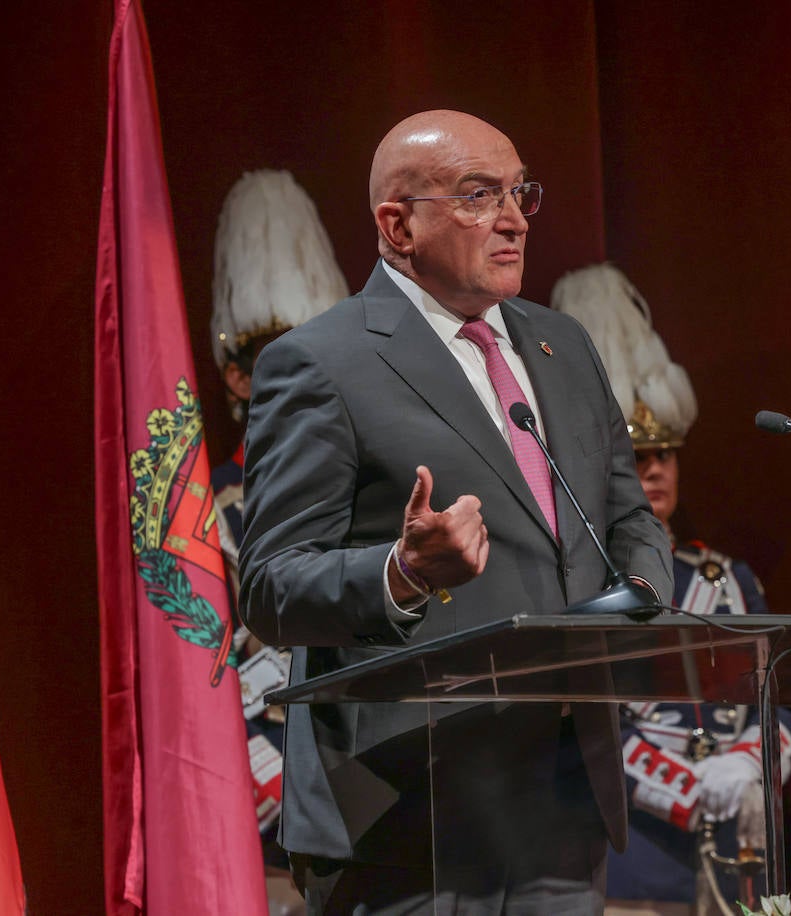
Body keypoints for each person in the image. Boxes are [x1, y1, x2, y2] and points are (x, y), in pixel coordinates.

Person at [238, 111, 673, 914]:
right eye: (478, 196)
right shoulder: (321, 363)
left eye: (518, 193)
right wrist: (401, 574)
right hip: (412, 810)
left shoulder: (562, 346)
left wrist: (640, 602)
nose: (513, 219)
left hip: (565, 791)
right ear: (397, 225)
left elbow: (629, 518)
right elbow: (269, 585)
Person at [551, 264, 791, 916]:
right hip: (633, 855)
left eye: (664, 454)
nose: (655, 470)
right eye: (636, 458)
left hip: (738, 852)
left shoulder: (729, 578)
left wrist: (749, 764)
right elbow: (581, 720)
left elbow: (787, 700)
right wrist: (689, 789)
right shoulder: (575, 582)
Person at [207, 169, 349, 916]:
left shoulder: (369, 499)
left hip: (373, 810)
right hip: (261, 829)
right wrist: (285, 802)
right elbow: (203, 680)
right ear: (236, 377)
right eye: (276, 363)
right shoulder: (209, 514)